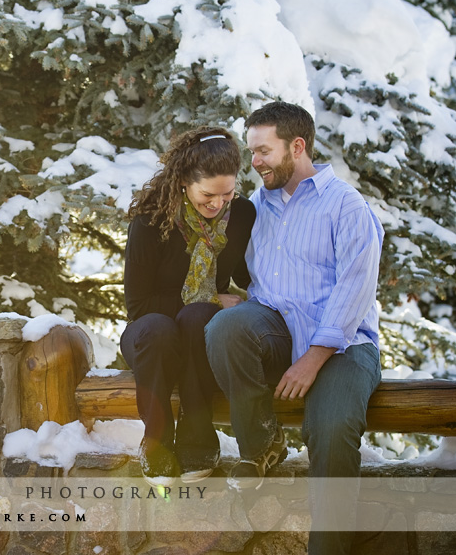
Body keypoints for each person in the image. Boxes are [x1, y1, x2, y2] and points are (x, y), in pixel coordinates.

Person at [204, 102, 383, 555]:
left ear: (297, 146)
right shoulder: (252, 209)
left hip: (343, 345)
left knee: (332, 428)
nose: (255, 162)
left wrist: (314, 357)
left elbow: (355, 286)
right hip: (277, 332)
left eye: (263, 150)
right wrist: (219, 296)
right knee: (226, 327)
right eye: (252, 152)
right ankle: (262, 443)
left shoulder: (346, 206)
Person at [120, 126, 255, 486]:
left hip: (200, 334)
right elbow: (137, 304)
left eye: (227, 194)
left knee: (199, 318)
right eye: (208, 195)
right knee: (160, 327)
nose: (218, 204)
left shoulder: (241, 215)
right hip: (152, 336)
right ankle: (156, 442)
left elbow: (249, 275)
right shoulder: (151, 220)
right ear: (183, 180)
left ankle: (198, 437)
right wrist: (211, 297)